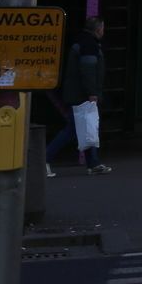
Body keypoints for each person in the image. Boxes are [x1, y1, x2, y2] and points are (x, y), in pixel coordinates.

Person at [54, 17, 110, 176]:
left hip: (77, 92)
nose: (103, 31)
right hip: (82, 94)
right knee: (75, 128)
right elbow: (88, 70)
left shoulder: (82, 42)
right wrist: (92, 92)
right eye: (103, 28)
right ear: (98, 29)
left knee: (87, 127)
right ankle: (44, 158)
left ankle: (93, 163)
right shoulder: (90, 45)